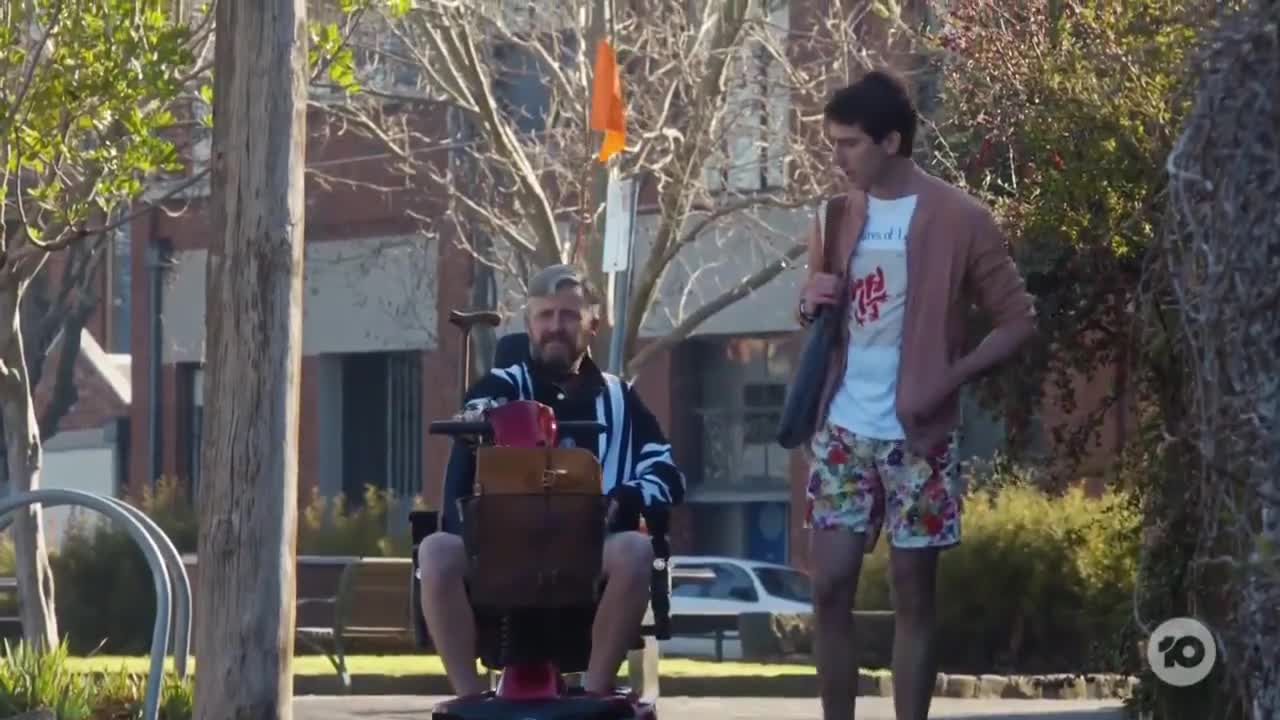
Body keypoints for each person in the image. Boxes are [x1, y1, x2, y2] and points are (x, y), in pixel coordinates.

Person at [796, 70, 1036, 720]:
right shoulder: (835, 216)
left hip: (919, 434)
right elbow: (818, 314)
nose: (837, 156)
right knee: (830, 588)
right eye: (833, 142)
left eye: (849, 143)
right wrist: (810, 301)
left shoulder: (960, 218)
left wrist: (949, 378)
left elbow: (1018, 320)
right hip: (842, 426)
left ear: (891, 141)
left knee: (913, 596)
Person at [417, 263, 685, 698]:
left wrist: (631, 496)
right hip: (501, 552)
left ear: (593, 324)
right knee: (434, 551)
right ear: (529, 324)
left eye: (569, 315)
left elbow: (667, 472)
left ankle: (595, 694)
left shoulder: (621, 399)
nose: (555, 327)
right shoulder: (500, 386)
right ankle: (468, 698)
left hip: (591, 552)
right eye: (545, 315)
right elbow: (477, 411)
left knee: (636, 551)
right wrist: (482, 419)